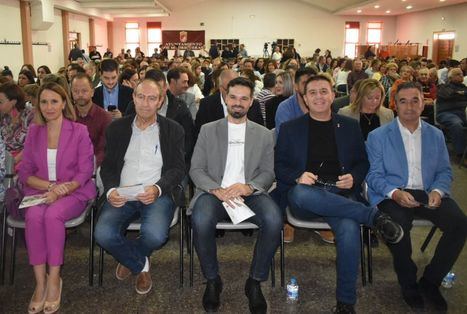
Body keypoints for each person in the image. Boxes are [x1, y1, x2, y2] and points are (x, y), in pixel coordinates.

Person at [275, 74, 403, 313]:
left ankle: (346, 302)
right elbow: (279, 166)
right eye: (312, 92)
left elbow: (362, 163)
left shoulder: (349, 126)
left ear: (333, 95)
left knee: (349, 229)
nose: (318, 97)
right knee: (301, 193)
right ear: (304, 98)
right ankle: (373, 216)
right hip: (306, 194)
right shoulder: (290, 128)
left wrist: (354, 177)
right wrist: (297, 177)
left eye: (324, 91)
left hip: (341, 194)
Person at [366, 81, 467, 312]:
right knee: (398, 225)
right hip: (393, 192)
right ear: (395, 105)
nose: (409, 106)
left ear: (424, 103)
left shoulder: (436, 135)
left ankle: (430, 281)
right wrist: (395, 193)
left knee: (460, 224)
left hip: (428, 191)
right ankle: (408, 282)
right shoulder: (379, 136)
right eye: (403, 101)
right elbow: (374, 175)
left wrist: (438, 191)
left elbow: (444, 170)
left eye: (415, 100)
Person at [190, 77, 282, 313]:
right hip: (213, 193)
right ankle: (212, 279)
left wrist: (249, 187)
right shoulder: (208, 130)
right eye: (233, 97)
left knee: (274, 219)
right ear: (225, 98)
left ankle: (255, 281)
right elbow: (196, 169)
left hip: (249, 192)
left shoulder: (263, 134)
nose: (238, 103)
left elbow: (268, 172)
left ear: (251, 102)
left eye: (243, 98)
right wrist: (215, 189)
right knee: (200, 219)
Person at [94, 79, 185, 295]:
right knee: (103, 234)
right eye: (141, 97)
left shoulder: (173, 130)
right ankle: (140, 264)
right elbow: (107, 167)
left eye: (152, 98)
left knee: (155, 236)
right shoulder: (116, 128)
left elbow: (178, 169)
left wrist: (158, 188)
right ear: (133, 98)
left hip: (156, 194)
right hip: (122, 193)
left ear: (160, 101)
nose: (145, 103)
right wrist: (110, 190)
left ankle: (129, 258)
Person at [18, 82, 96, 314]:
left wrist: (63, 189)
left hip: (74, 191)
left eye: (54, 101)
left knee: (52, 216)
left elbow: (85, 171)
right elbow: (25, 173)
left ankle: (54, 279)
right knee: (33, 216)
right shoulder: (34, 132)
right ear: (38, 105)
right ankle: (39, 282)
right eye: (44, 102)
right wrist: (50, 187)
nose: (49, 107)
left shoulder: (79, 131)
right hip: (41, 191)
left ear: (64, 103)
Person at [195, 69, 264, 134]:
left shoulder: (253, 105)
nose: (237, 101)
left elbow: (260, 134)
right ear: (220, 88)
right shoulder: (206, 105)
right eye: (229, 91)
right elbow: (199, 134)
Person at [71, 73, 112, 168]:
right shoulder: (66, 116)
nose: (80, 95)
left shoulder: (104, 117)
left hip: (94, 169)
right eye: (76, 91)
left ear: (92, 92)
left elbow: (102, 151)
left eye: (84, 91)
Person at [436, 68, 467, 164]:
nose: (461, 76)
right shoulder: (444, 87)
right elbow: (448, 95)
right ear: (450, 77)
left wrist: (460, 93)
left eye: (461, 74)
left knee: (459, 122)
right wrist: (460, 94)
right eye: (458, 74)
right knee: (456, 124)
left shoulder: (464, 87)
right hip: (446, 113)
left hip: (462, 113)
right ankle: (460, 154)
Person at [0, 82, 35, 163]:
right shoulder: (4, 117)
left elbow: (32, 146)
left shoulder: (30, 116)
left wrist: (12, 162)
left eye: (0, 102)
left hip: (24, 160)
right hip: (5, 158)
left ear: (13, 102)